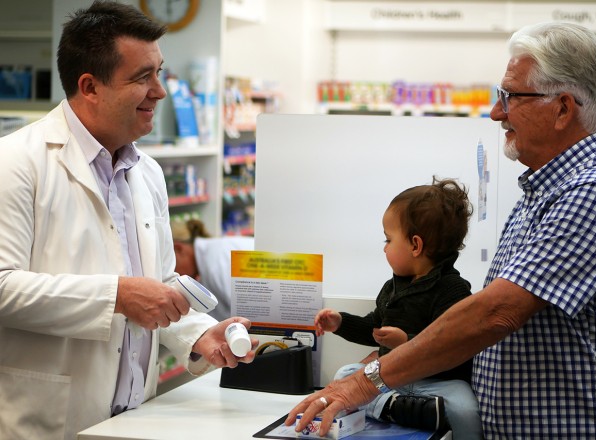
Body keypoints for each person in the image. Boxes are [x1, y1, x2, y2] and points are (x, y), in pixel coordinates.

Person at [287, 21, 596, 439]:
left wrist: (363, 382)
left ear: (563, 108)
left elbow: (496, 312)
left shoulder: (594, 192)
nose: (497, 112)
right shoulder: (544, 190)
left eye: (512, 97)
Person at [0, 2, 257, 439]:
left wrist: (199, 334)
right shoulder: (16, 163)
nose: (160, 91)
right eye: (143, 77)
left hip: (135, 419)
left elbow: (159, 281)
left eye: (160, 73)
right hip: (48, 421)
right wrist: (116, 295)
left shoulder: (148, 172)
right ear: (90, 86)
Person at [314, 177, 482, 439]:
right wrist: (340, 323)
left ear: (415, 245)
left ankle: (398, 408)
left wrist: (405, 342)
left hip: (439, 385)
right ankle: (395, 408)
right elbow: (373, 328)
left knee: (466, 408)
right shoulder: (392, 288)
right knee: (344, 374)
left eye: (388, 240)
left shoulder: (454, 290)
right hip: (390, 380)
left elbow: (451, 348)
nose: (384, 248)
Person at [172, 218, 254, 321]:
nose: (171, 272)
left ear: (178, 249)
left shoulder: (216, 261)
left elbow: (246, 315)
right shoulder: (208, 258)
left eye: (169, 263)